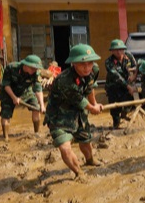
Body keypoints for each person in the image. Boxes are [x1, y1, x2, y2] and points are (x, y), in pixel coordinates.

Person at [44, 44, 103, 178]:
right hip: (59, 117)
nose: (87, 68)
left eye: (90, 63)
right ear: (74, 63)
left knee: (85, 139)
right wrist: (93, 108)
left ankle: (90, 160)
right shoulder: (65, 80)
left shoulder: (93, 70)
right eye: (82, 64)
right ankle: (79, 173)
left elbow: (89, 88)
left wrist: (95, 103)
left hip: (78, 114)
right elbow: (79, 100)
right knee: (65, 147)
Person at [0, 54, 46, 141]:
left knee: (36, 108)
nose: (35, 70)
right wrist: (14, 98)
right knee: (6, 114)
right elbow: (6, 85)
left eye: (36, 68)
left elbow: (38, 89)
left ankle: (36, 133)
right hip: (8, 92)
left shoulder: (36, 73)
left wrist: (42, 105)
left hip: (25, 91)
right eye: (33, 68)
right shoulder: (11, 68)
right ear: (26, 65)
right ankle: (5, 138)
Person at [104, 39, 137, 129]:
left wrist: (134, 76)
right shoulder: (108, 62)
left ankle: (124, 114)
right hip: (113, 87)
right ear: (112, 51)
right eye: (116, 50)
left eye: (121, 49)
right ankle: (116, 124)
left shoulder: (129, 56)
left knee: (130, 101)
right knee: (115, 108)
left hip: (127, 85)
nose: (119, 52)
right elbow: (116, 76)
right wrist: (128, 86)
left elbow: (136, 67)